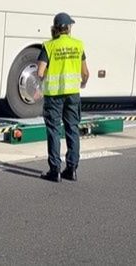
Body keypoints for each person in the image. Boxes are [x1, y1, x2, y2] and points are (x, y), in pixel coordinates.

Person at [36, 12, 89, 183]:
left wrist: (40, 85)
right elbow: (86, 73)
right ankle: (72, 169)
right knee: (72, 129)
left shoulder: (49, 46)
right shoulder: (78, 45)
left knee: (54, 131)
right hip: (73, 95)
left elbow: (40, 72)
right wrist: (83, 83)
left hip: (54, 97)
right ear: (69, 28)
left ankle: (55, 170)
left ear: (56, 28)